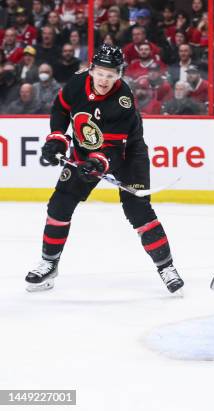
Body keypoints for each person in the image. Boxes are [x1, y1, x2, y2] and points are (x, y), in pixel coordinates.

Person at [26, 44, 184, 294]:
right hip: (85, 148)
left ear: (119, 75)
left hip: (129, 154)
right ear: (91, 70)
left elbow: (112, 147)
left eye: (110, 75)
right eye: (100, 73)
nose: (104, 80)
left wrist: (97, 163)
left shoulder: (122, 100)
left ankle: (166, 267)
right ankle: (49, 263)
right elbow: (61, 109)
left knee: (138, 209)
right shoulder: (77, 83)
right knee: (60, 203)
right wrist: (57, 137)